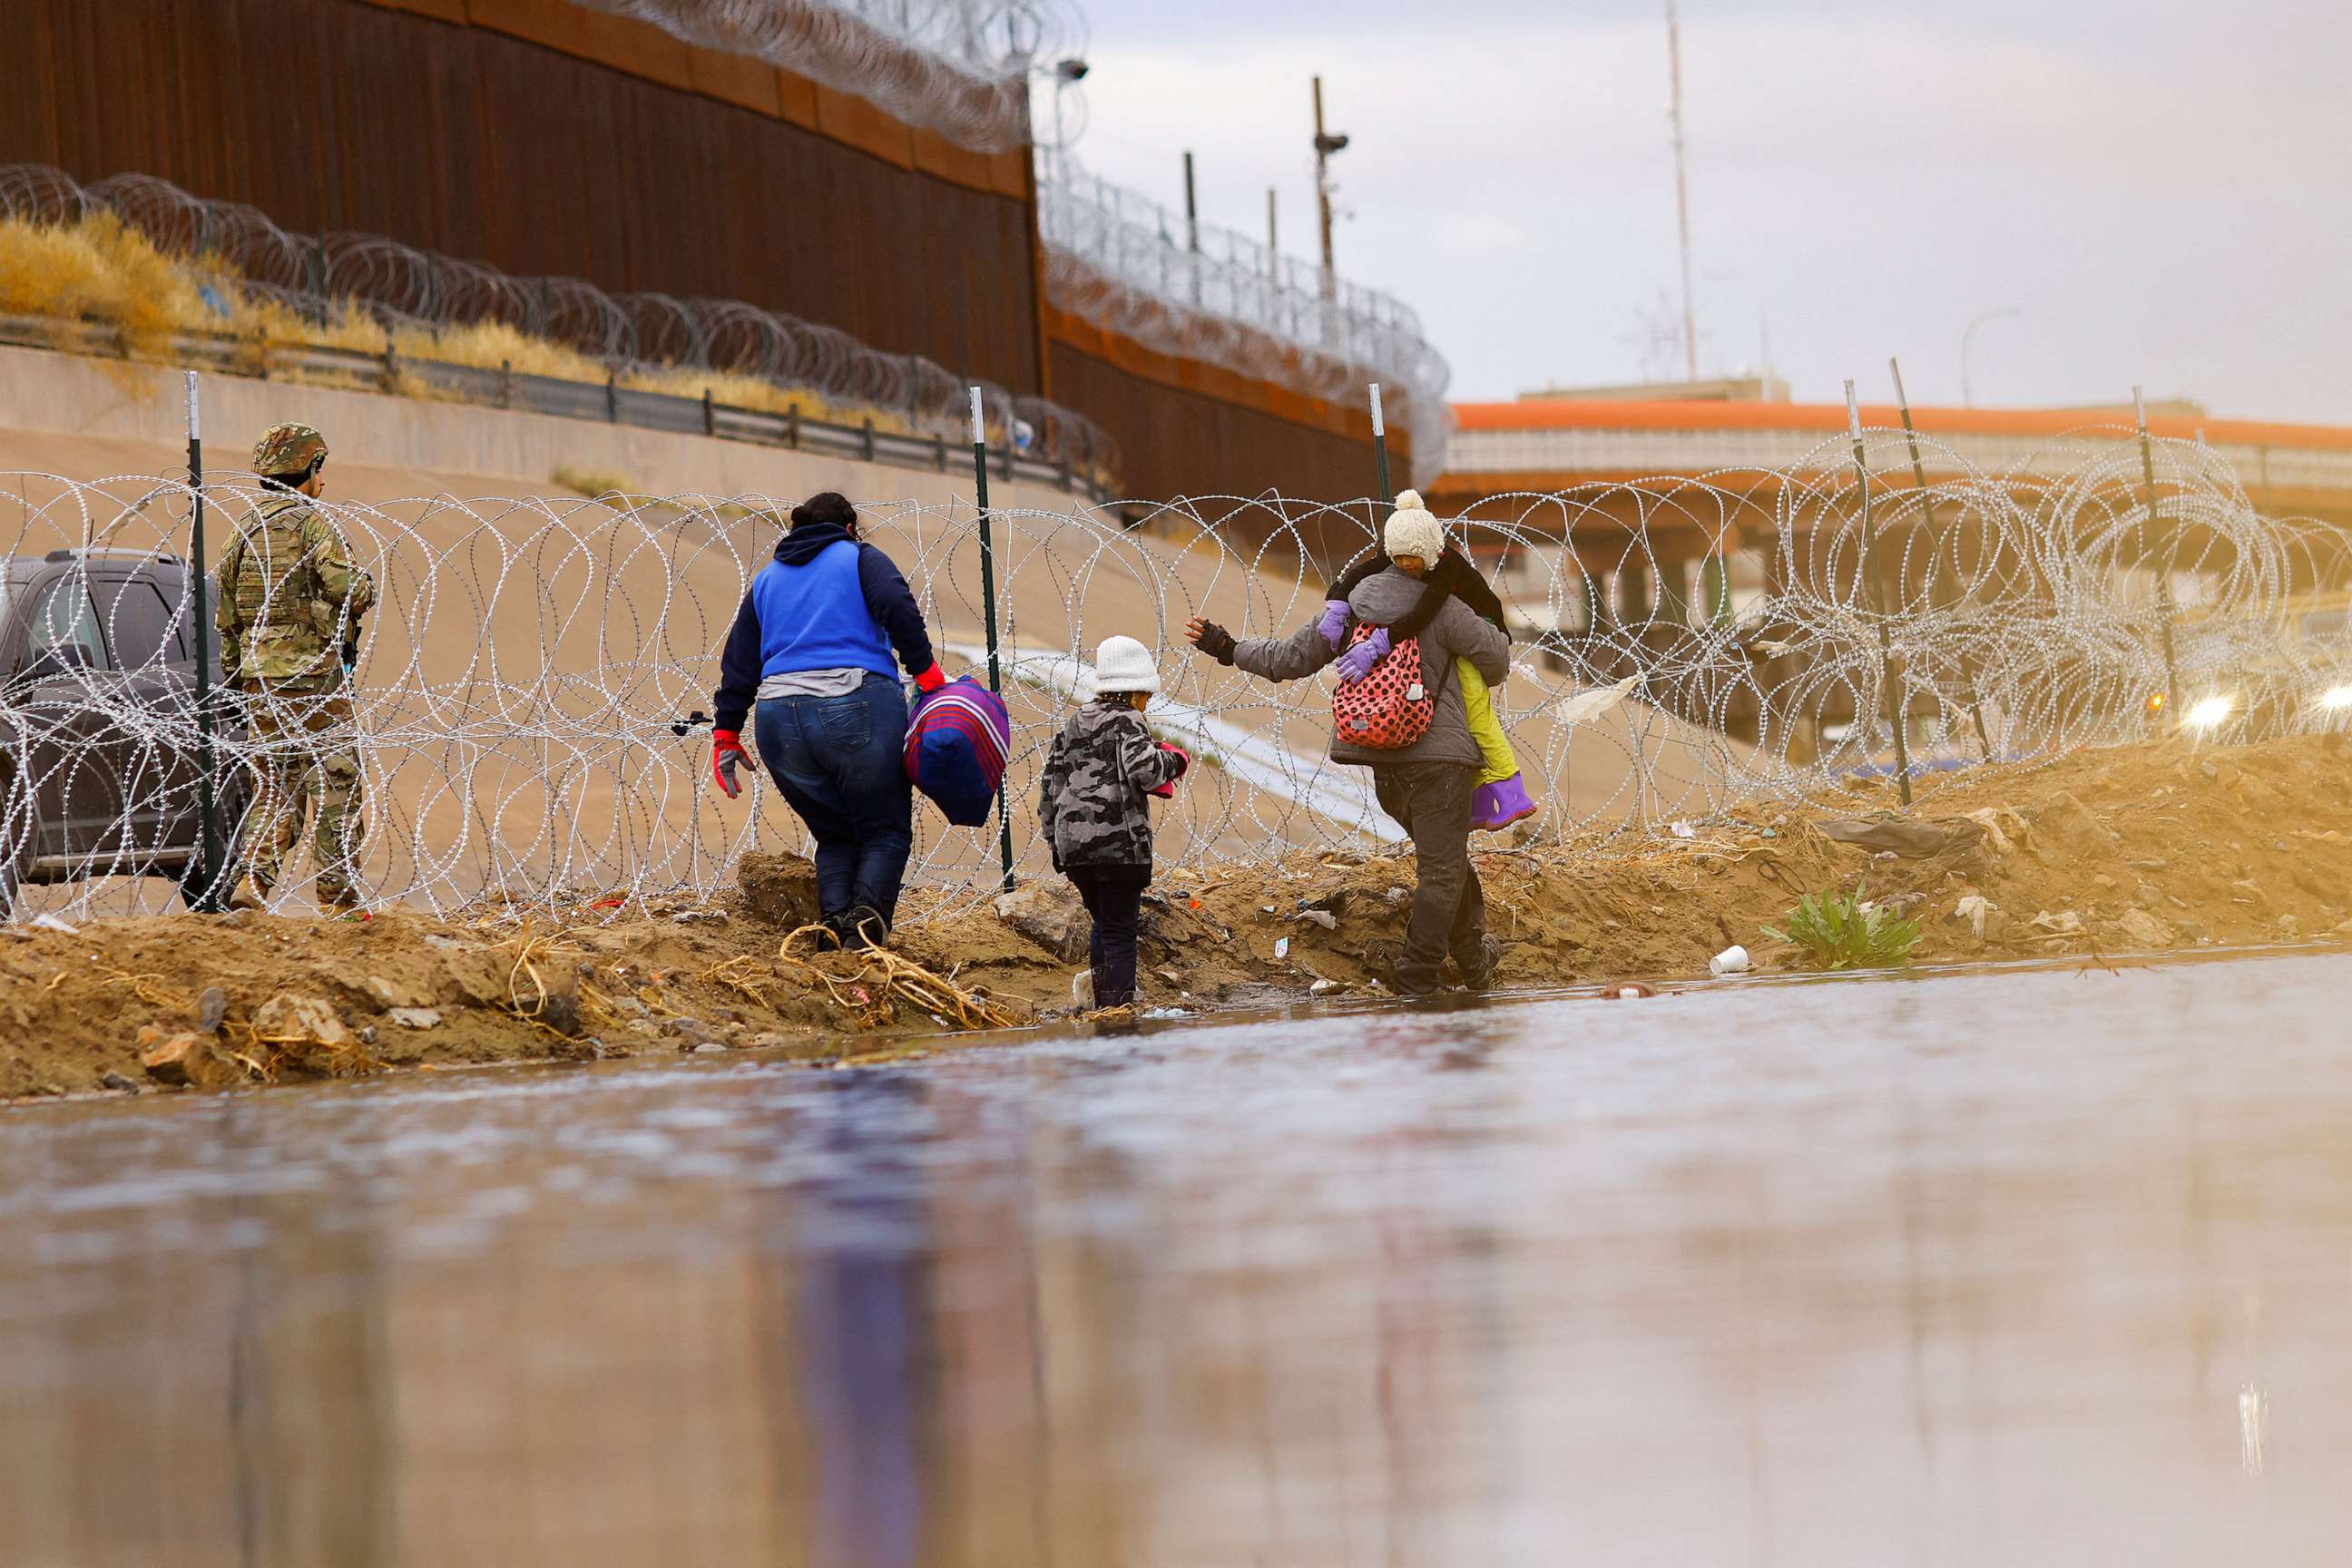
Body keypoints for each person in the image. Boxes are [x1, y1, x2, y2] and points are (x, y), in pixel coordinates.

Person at [1187, 503, 1510, 995]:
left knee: (1445, 859)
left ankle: (1471, 961)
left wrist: (1225, 646)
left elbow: (1291, 658)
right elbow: (1497, 662)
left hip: (1379, 756)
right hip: (1439, 759)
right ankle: (1417, 974)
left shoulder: (1351, 604)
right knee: (1442, 870)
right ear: (1432, 553)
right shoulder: (1446, 608)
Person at [710, 493, 949, 949]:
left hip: (777, 718)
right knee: (885, 829)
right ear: (849, 527)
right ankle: (864, 936)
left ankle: (832, 934)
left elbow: (738, 659)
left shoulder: (767, 578)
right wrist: (925, 671)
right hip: (853, 701)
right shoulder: (858, 557)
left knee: (835, 834)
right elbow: (897, 605)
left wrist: (726, 731)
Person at [216, 422, 377, 913]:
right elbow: (347, 588)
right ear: (304, 471)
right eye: (319, 470)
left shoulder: (240, 533)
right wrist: (364, 585)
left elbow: (227, 621)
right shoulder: (312, 525)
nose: (323, 482)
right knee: (335, 782)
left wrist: (237, 680)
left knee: (274, 785)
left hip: (259, 680)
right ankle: (337, 896)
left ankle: (252, 884)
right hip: (313, 678)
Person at [1317, 489, 1536, 830]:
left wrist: (1379, 644)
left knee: (1477, 719)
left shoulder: (1445, 567)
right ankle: (1479, 805)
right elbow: (1360, 572)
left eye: (1412, 558)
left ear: (1431, 550)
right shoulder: (1406, 560)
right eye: (1399, 557)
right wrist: (1336, 603)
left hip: (1484, 632)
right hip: (1458, 642)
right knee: (1462, 722)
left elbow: (1426, 611)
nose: (1405, 565)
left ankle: (1513, 793)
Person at [1036, 635, 1189, 1011]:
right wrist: (1176, 760)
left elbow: (1049, 787)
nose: (1147, 705)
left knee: (1103, 925)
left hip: (1075, 849)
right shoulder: (1129, 720)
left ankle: (1101, 1009)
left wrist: (1056, 843)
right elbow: (1147, 771)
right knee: (1121, 931)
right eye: (1146, 697)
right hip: (1118, 847)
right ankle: (1119, 1012)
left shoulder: (1074, 723)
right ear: (1137, 691)